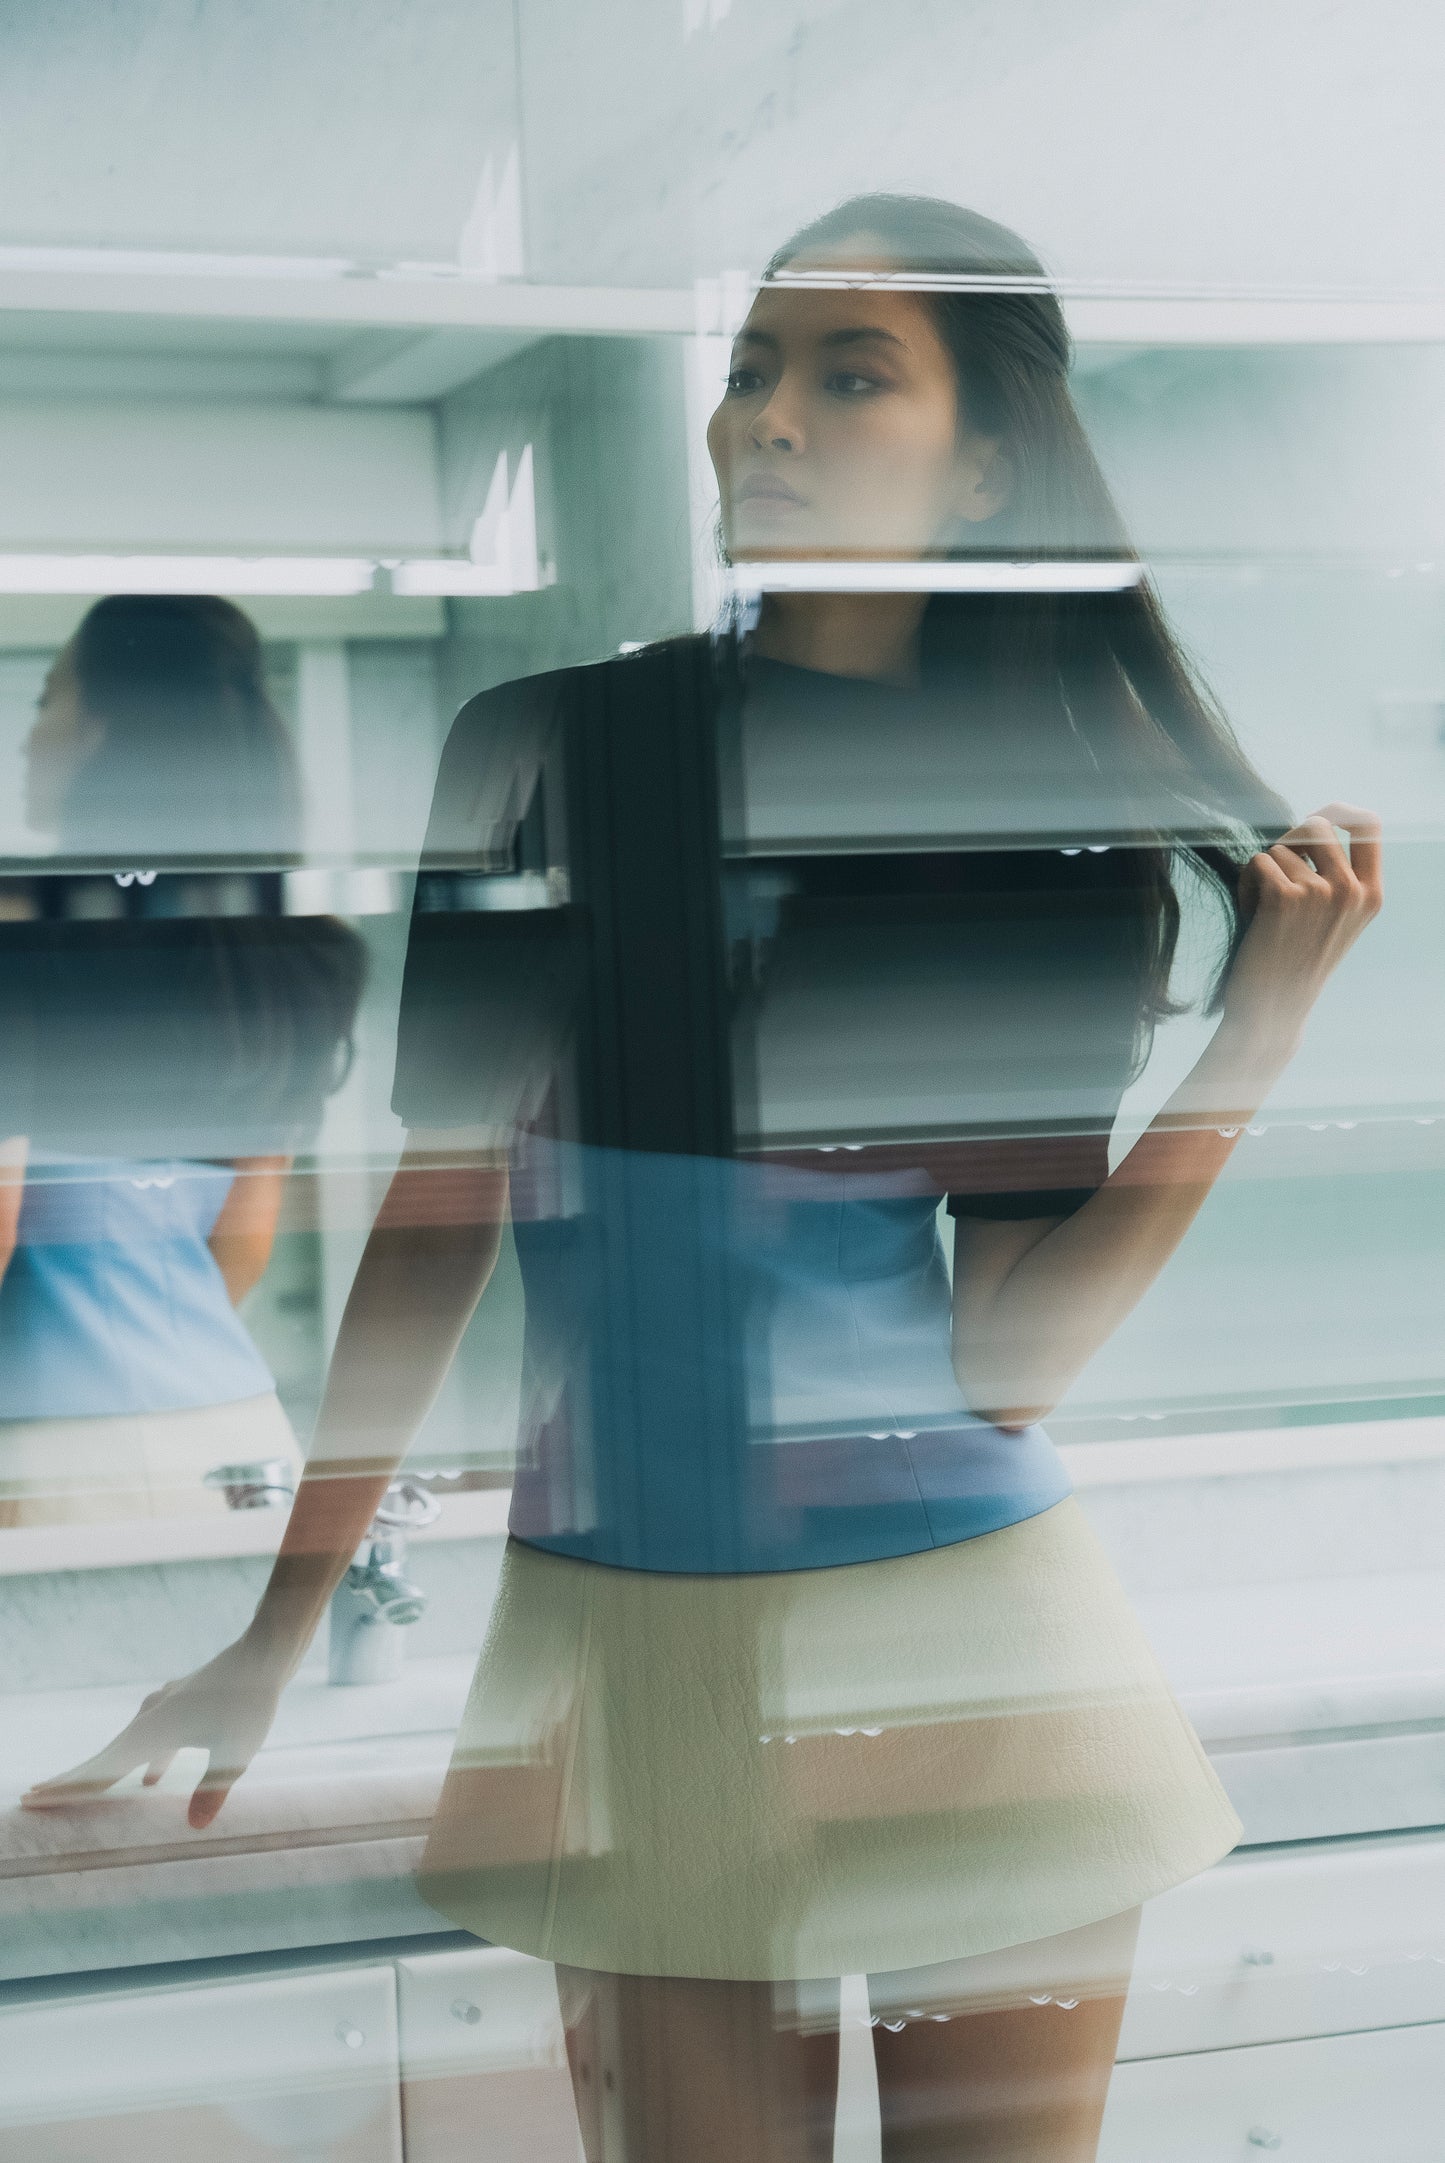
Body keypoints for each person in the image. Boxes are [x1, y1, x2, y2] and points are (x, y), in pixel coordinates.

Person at [25, 201, 1382, 2160]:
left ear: (983, 462)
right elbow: (432, 1231)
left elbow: (1001, 1361)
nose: (765, 412)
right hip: (639, 1635)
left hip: (975, 1637)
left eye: (848, 371)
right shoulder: (552, 749)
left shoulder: (1032, 832)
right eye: (749, 365)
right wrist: (274, 1623)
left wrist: (1250, 1038)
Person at [0, 595, 361, 1524]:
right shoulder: (288, 956)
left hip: (44, 1453)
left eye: (49, 702)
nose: (28, 737)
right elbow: (241, 1244)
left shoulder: (20, 944)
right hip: (237, 1434)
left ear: (105, 729)